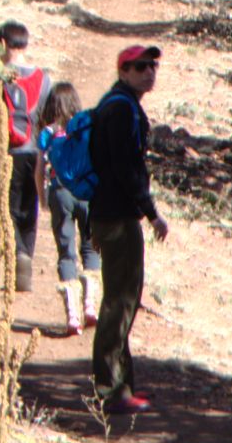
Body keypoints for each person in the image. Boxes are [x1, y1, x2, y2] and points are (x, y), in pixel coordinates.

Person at [88, 43, 170, 415]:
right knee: (119, 302)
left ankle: (122, 386)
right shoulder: (120, 110)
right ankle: (110, 390)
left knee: (123, 301)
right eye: (139, 67)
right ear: (123, 71)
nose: (148, 72)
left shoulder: (119, 104)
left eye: (152, 65)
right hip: (118, 218)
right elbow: (126, 170)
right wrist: (151, 212)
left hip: (111, 214)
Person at [0, 20, 51, 293]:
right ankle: (26, 257)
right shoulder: (43, 78)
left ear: (4, 44)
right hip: (36, 151)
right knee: (30, 207)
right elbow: (49, 117)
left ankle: (16, 255)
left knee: (9, 208)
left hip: (8, 151)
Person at [35, 81, 103, 337]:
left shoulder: (48, 133)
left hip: (60, 193)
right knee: (90, 247)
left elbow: (40, 169)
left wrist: (42, 198)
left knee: (66, 252)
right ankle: (90, 305)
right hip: (86, 194)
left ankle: (72, 315)